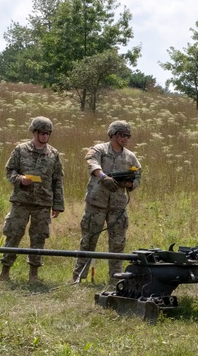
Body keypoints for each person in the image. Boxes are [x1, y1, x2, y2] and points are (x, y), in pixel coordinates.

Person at [72, 120, 142, 284]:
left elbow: (138, 174)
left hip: (117, 205)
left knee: (117, 244)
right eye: (122, 135)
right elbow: (91, 163)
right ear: (113, 135)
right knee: (88, 241)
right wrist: (103, 177)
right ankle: (78, 277)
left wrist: (129, 184)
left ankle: (115, 280)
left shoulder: (130, 156)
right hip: (97, 203)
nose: (125, 138)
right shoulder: (99, 150)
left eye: (128, 135)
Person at [0, 116, 65, 283]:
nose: (45, 136)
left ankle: (33, 275)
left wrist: (58, 204)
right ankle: (4, 272)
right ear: (34, 132)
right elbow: (10, 171)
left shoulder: (53, 154)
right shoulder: (20, 150)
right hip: (21, 201)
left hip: (43, 203)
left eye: (48, 133)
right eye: (42, 133)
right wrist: (20, 179)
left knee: (39, 238)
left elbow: (57, 180)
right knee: (13, 234)